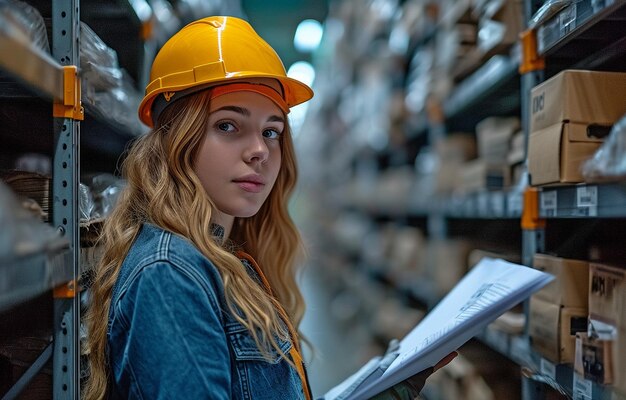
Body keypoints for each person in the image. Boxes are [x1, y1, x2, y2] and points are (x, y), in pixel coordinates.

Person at [84, 16, 455, 400]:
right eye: (228, 125)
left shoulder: (224, 259)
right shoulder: (171, 274)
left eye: (271, 131)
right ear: (176, 139)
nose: (260, 150)